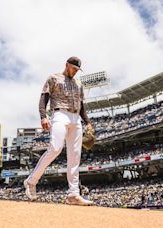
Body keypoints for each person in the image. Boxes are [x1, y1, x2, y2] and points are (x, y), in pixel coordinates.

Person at [24, 56, 94, 206]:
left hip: (76, 118)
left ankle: (73, 194)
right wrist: (43, 116)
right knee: (55, 148)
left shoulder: (79, 83)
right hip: (60, 113)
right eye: (74, 68)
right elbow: (43, 99)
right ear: (67, 65)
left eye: (77, 70)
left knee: (75, 156)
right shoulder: (54, 78)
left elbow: (82, 107)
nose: (75, 71)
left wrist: (87, 122)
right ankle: (31, 181)